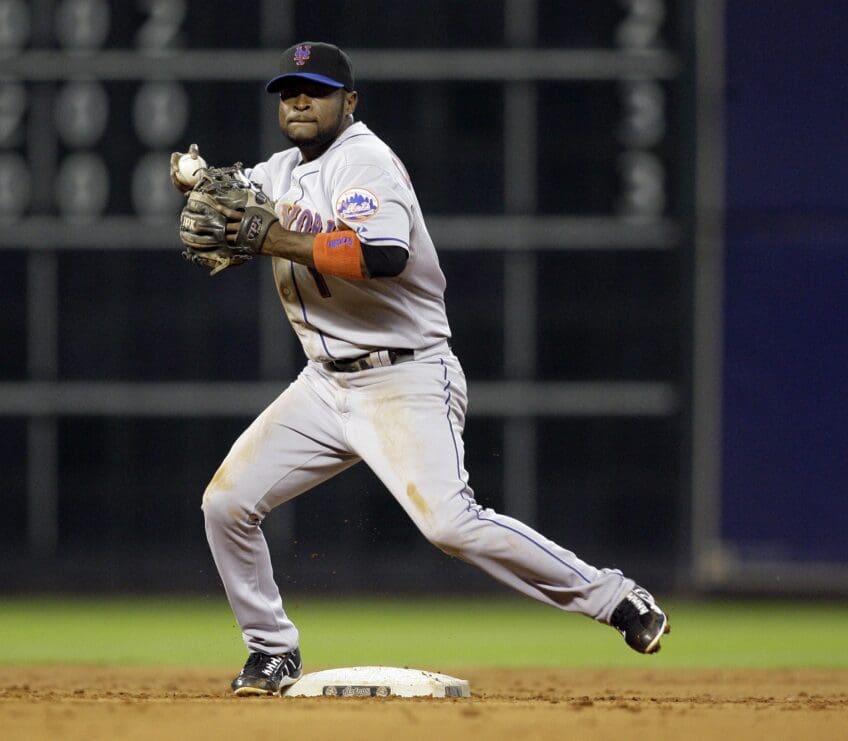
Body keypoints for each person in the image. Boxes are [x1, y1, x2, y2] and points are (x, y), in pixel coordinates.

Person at [170, 41, 669, 697]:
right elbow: (234, 194)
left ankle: (615, 597)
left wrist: (273, 238)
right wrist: (193, 176)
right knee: (227, 502)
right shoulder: (282, 170)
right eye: (289, 90)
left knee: (451, 524)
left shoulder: (366, 162)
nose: (298, 100)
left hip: (404, 377)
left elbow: (382, 255)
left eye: (315, 90)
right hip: (324, 384)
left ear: (348, 102)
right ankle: (271, 651)